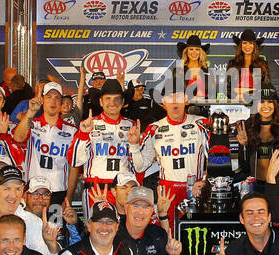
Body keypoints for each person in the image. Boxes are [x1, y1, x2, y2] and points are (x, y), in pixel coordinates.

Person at [133, 90, 210, 223]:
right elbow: (140, 167)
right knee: (168, 235)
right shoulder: (154, 129)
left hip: (195, 190)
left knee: (195, 234)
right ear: (163, 102)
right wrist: (133, 145)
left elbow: (215, 156)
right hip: (167, 194)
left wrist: (204, 181)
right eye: (170, 97)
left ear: (185, 99)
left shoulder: (201, 124)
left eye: (179, 97)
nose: (175, 101)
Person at [67, 79, 138, 208]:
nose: (112, 103)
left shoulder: (131, 126)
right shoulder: (90, 124)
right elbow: (74, 161)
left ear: (122, 102)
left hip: (123, 191)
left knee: (124, 228)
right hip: (95, 190)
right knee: (97, 228)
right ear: (100, 102)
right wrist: (83, 135)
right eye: (108, 98)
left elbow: (138, 165)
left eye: (117, 99)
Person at [10, 81, 78, 207]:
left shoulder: (72, 130)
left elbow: (74, 167)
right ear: (42, 100)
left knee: (54, 226)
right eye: (48, 97)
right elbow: (18, 138)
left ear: (62, 102)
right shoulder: (32, 124)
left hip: (58, 191)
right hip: (33, 190)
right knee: (32, 225)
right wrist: (31, 111)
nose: (53, 101)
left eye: (57, 97)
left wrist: (68, 197)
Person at [235, 86, 279, 186]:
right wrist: (244, 145)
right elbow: (244, 166)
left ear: (275, 104)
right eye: (262, 102)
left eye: (270, 102)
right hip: (255, 185)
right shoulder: (247, 126)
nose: (266, 106)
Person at [225, 28, 270, 96]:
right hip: (236, 103)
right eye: (245, 43)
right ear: (241, 45)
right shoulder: (233, 64)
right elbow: (226, 90)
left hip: (255, 103)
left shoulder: (262, 65)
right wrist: (238, 95)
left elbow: (266, 89)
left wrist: (244, 92)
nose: (247, 46)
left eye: (251, 43)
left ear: (255, 46)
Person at [176, 35, 211, 100]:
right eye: (191, 49)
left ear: (201, 52)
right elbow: (173, 92)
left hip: (204, 108)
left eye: (197, 49)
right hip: (185, 108)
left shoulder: (208, 72)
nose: (194, 52)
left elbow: (213, 93)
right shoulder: (178, 71)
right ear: (186, 51)